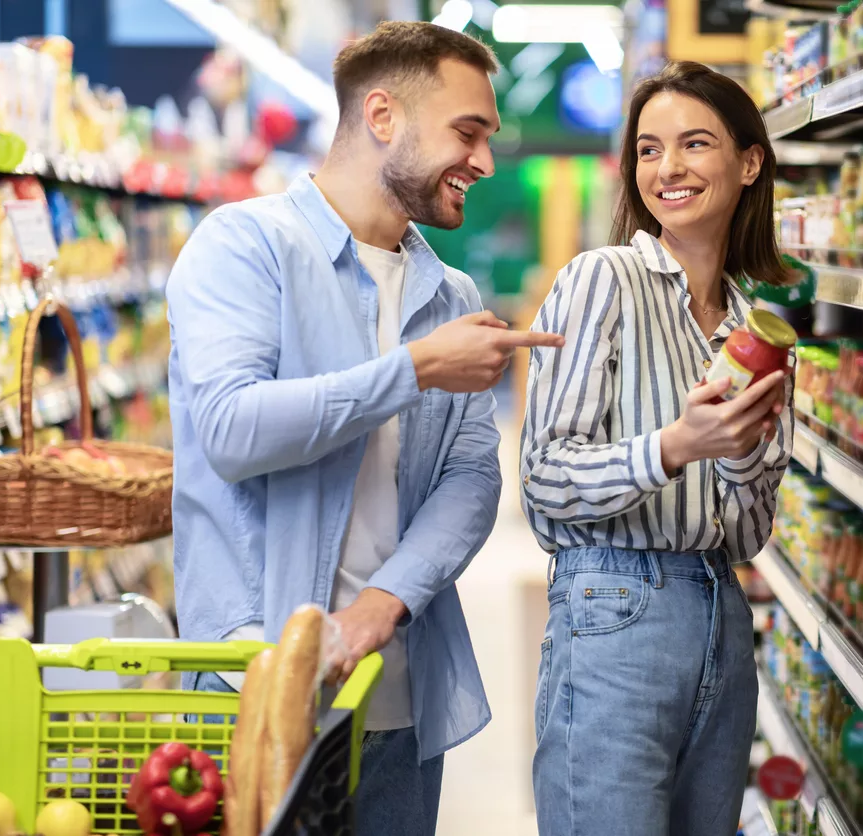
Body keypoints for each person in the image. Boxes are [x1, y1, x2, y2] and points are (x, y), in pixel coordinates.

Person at [165, 21, 562, 836]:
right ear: (382, 116)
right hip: (257, 690)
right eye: (468, 132)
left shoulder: (448, 292)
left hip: (400, 703)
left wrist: (383, 606)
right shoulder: (244, 247)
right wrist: (413, 368)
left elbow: (471, 477)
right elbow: (233, 430)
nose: (485, 162)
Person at [521, 61, 796, 835]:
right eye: (648, 149)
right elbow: (543, 480)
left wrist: (740, 453)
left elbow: (747, 535)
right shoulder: (602, 280)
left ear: (749, 163)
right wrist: (674, 446)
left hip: (721, 616)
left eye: (694, 144)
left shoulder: (758, 331)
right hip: (613, 607)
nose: (667, 168)